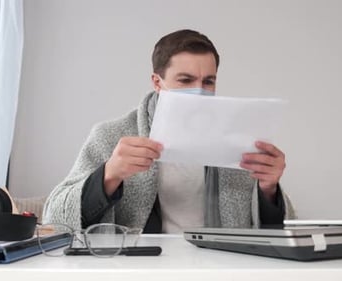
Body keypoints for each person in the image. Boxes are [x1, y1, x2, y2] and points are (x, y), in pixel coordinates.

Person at [42, 29, 295, 233]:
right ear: (157, 82)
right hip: (143, 266)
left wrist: (269, 188)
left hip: (219, 262)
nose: (199, 90)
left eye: (208, 81)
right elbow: (54, 217)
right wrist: (110, 174)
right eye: (185, 80)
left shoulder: (240, 140)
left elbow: (275, 227)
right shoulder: (113, 135)